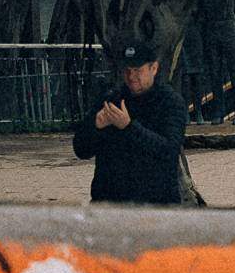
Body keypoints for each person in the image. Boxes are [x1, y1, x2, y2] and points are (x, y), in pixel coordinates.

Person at [74, 38, 188, 204]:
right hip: (109, 203)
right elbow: (81, 150)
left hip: (155, 204)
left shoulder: (170, 102)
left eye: (137, 70)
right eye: (127, 70)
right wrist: (95, 128)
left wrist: (128, 127)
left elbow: (169, 151)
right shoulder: (111, 99)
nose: (131, 76)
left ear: (153, 68)